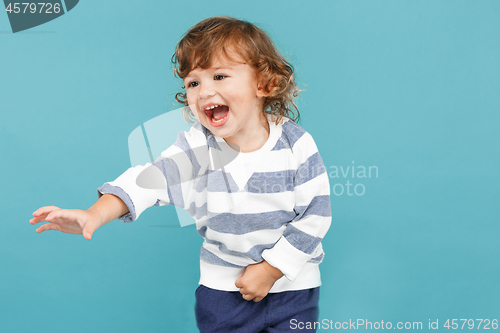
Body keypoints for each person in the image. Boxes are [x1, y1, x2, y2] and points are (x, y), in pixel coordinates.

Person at [30, 16, 332, 332]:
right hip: (224, 293)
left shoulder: (295, 143)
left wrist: (271, 269)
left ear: (264, 83)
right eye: (193, 83)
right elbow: (146, 182)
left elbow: (316, 215)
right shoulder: (197, 149)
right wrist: (94, 214)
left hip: (293, 290)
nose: (204, 92)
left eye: (219, 76)